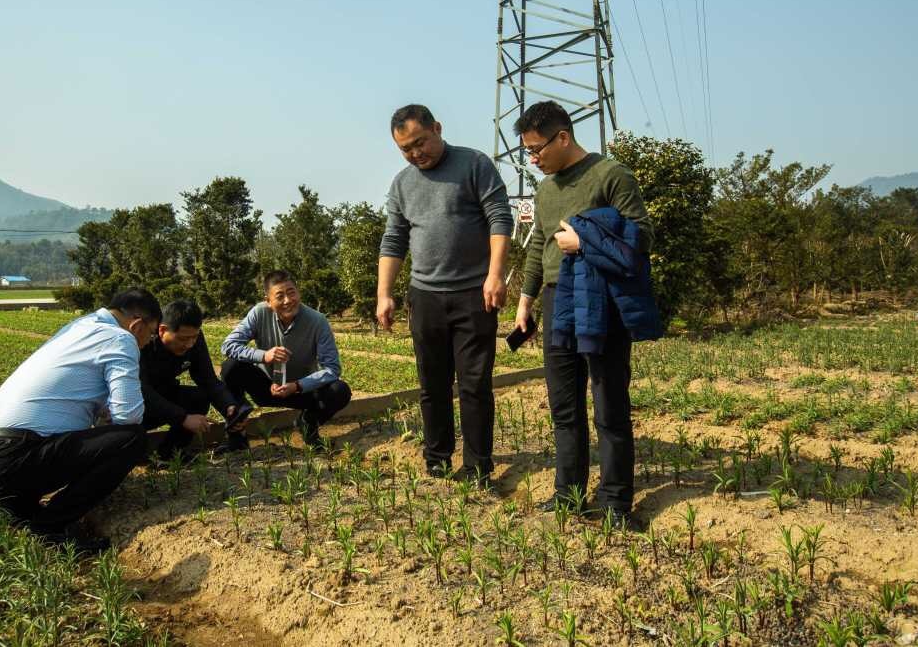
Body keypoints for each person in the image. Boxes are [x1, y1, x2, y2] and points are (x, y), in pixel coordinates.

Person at [510, 100, 654, 523]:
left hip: (600, 297)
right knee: (564, 405)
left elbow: (642, 234)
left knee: (609, 401)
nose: (533, 160)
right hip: (558, 298)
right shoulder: (544, 188)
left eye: (537, 150)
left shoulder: (610, 174)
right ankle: (568, 493)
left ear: (563, 137)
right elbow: (539, 244)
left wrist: (586, 243)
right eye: (527, 152)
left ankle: (615, 502)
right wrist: (526, 300)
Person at [0, 288, 160, 552]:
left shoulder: (81, 326)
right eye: (152, 333)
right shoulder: (119, 339)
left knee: (51, 432)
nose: (149, 342)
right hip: (10, 462)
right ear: (136, 325)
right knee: (131, 439)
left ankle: (18, 509)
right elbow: (129, 415)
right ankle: (49, 527)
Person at [377, 104, 513, 483]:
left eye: (420, 142)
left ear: (437, 128)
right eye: (406, 148)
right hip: (425, 297)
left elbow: (500, 217)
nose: (415, 153)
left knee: (474, 384)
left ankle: (477, 464)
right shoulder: (402, 183)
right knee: (432, 384)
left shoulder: (473, 164)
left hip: (474, 293)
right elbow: (394, 239)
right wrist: (384, 293)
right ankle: (436, 458)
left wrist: (495, 274)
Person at [220, 271, 351, 449]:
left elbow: (332, 369)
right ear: (268, 301)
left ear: (299, 293)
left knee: (340, 390)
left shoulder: (317, 321)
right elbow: (228, 345)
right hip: (266, 387)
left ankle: (308, 424)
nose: (288, 301)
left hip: (300, 390)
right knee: (231, 367)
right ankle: (237, 435)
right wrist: (264, 356)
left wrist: (297, 385)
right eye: (280, 296)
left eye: (291, 293)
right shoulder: (259, 313)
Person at [140, 299, 253, 457]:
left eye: (194, 337)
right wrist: (183, 418)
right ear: (162, 330)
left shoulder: (193, 338)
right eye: (183, 339)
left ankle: (169, 455)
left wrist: (228, 406)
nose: (189, 344)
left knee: (198, 398)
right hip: (138, 405)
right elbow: (142, 391)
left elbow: (208, 379)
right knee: (130, 434)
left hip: (165, 393)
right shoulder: (142, 341)